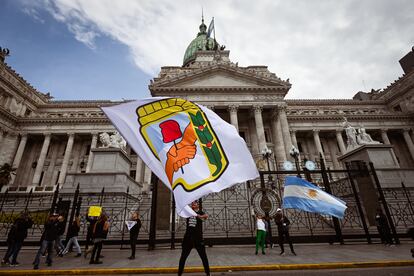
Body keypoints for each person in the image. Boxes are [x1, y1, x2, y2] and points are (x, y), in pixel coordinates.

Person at [178, 201, 210, 276]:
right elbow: (182, 209)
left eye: (195, 203)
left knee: (204, 257)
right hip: (188, 239)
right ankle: (179, 274)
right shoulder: (189, 212)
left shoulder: (200, 212)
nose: (193, 204)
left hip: (198, 239)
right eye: (192, 203)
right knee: (183, 257)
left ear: (198, 205)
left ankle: (208, 273)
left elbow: (206, 216)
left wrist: (197, 215)